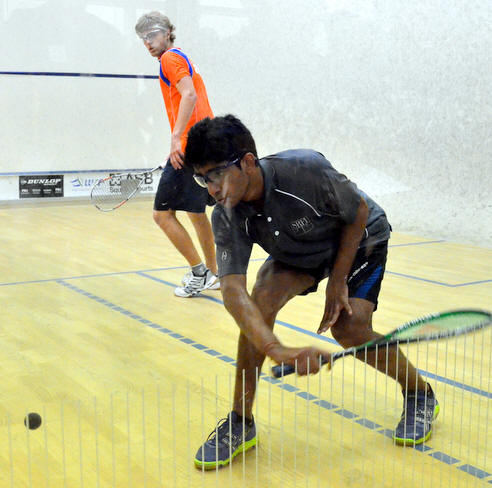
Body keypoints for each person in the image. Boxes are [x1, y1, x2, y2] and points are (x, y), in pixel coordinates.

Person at [184, 114, 439, 469]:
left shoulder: (304, 170)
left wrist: (338, 281)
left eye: (216, 175)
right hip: (301, 250)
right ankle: (240, 421)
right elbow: (232, 291)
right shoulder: (226, 213)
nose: (211, 189)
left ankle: (419, 394)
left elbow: (358, 211)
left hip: (360, 238)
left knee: (349, 328)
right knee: (257, 306)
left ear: (247, 162)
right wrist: (276, 349)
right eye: (203, 178)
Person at [135, 12, 219, 297]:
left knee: (162, 215)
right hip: (203, 143)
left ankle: (199, 273)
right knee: (196, 213)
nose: (148, 42)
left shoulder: (170, 59)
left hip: (190, 146)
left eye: (152, 35)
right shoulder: (181, 57)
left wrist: (176, 140)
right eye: (143, 38)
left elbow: (190, 95)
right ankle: (214, 274)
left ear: (168, 32)